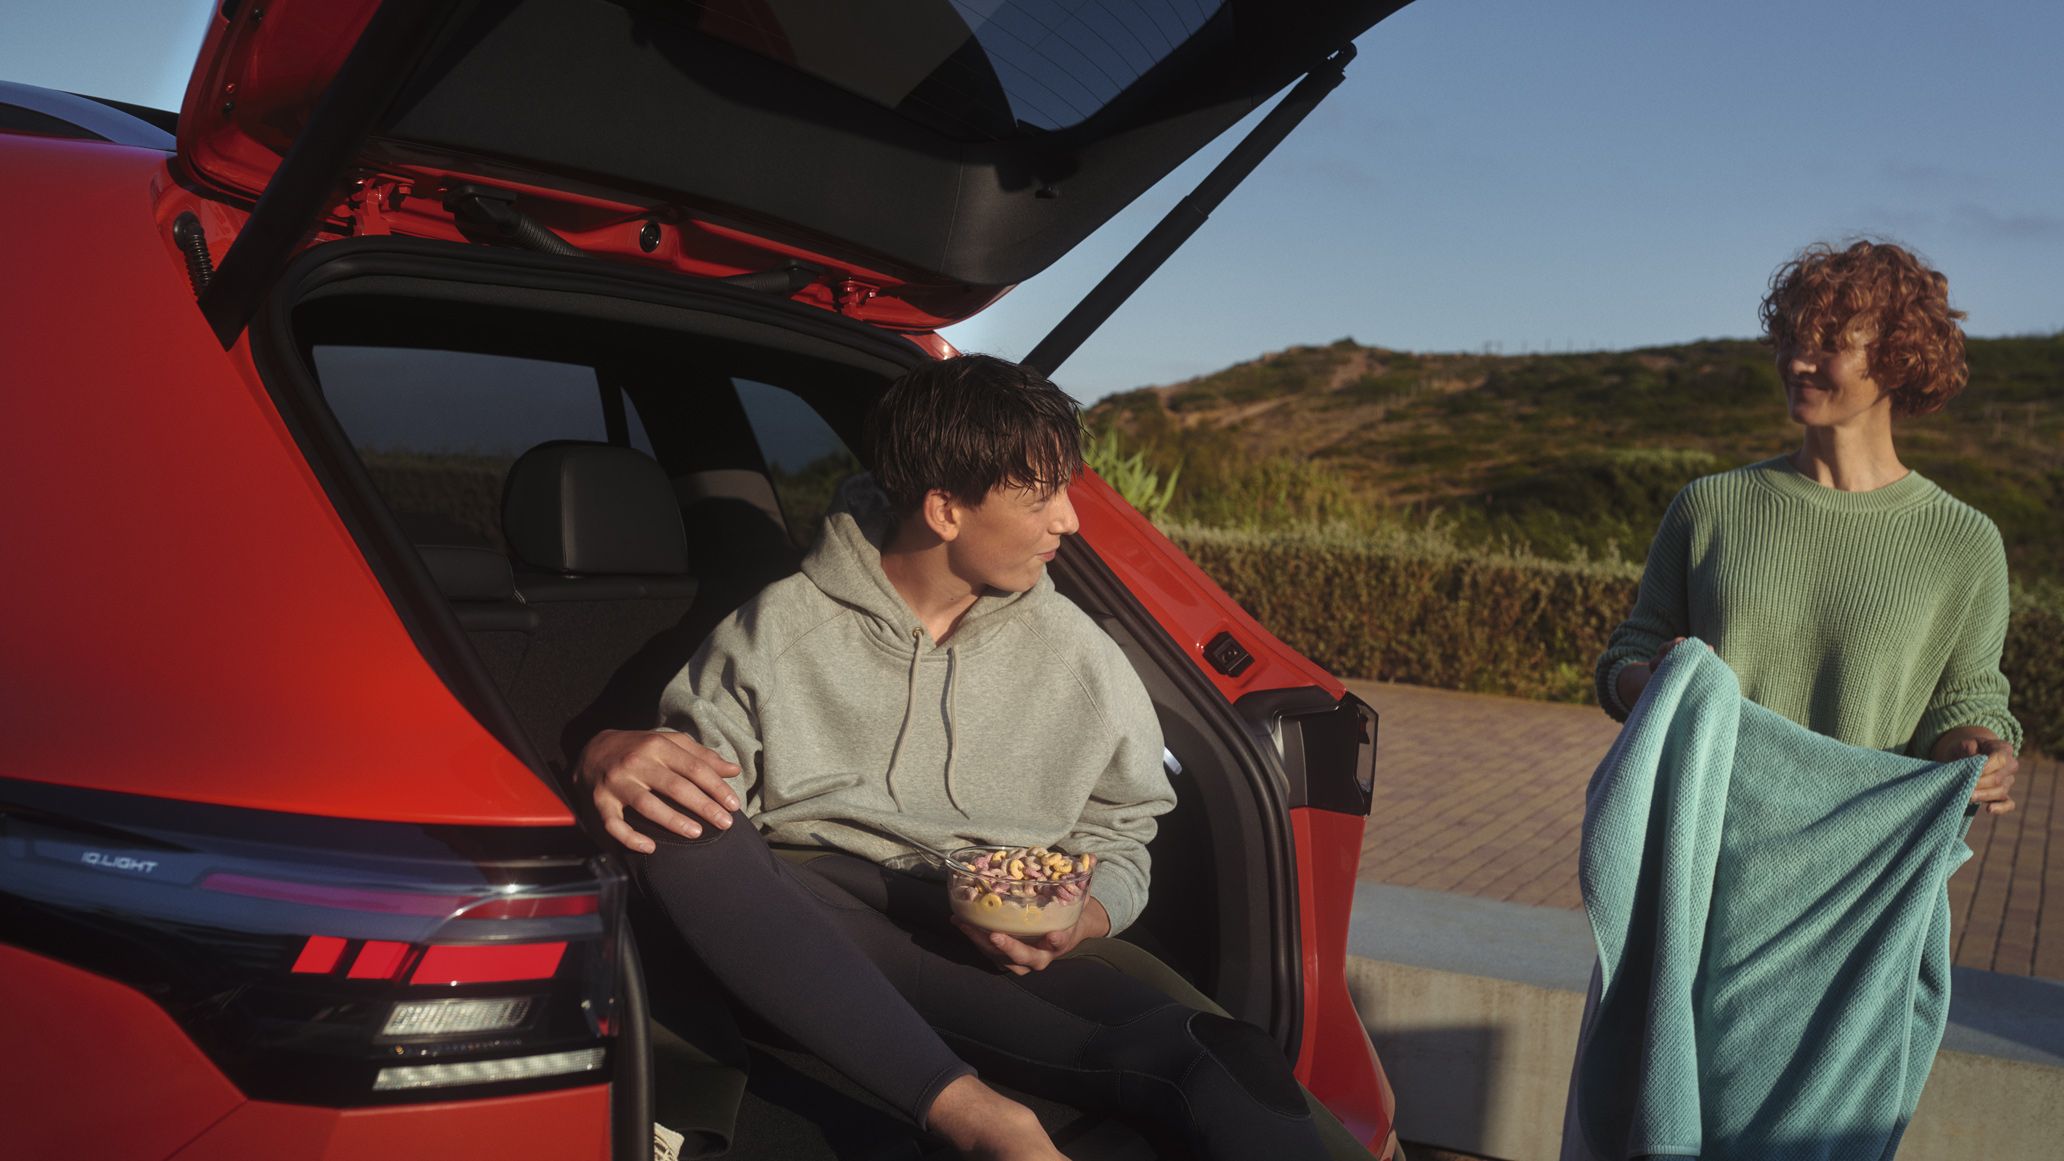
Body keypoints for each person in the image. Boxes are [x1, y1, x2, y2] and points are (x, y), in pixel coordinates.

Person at [578, 355, 1363, 1160]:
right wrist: (609, 750)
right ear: (946, 509)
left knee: (1226, 1061)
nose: (1070, 520)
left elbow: (1126, 825)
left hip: (985, 949)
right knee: (667, 819)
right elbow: (692, 792)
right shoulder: (777, 630)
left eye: (1067, 489)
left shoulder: (1082, 660)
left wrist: (1086, 913)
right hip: (805, 918)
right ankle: (977, 1115)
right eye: (1040, 496)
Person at [1597, 238, 2021, 802]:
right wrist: (1654, 683)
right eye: (1791, 340)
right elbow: (1626, 657)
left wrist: (1977, 749)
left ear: (1898, 358)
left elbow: (1965, 701)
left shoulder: (1964, 541)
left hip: (1862, 856)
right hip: (1703, 846)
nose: (1797, 361)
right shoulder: (1710, 508)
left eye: (1827, 344)